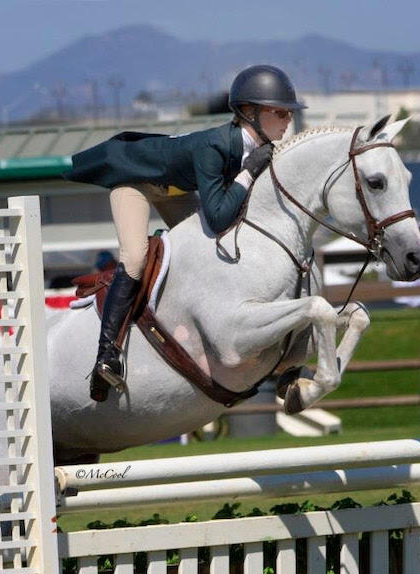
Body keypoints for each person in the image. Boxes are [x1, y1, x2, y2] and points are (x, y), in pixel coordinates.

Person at [64, 65, 305, 402]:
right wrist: (248, 173)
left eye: (289, 112)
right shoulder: (216, 147)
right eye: (280, 112)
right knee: (136, 257)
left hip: (174, 189)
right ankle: (107, 356)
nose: (288, 119)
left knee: (206, 249)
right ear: (250, 113)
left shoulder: (258, 149)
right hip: (136, 181)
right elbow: (219, 215)